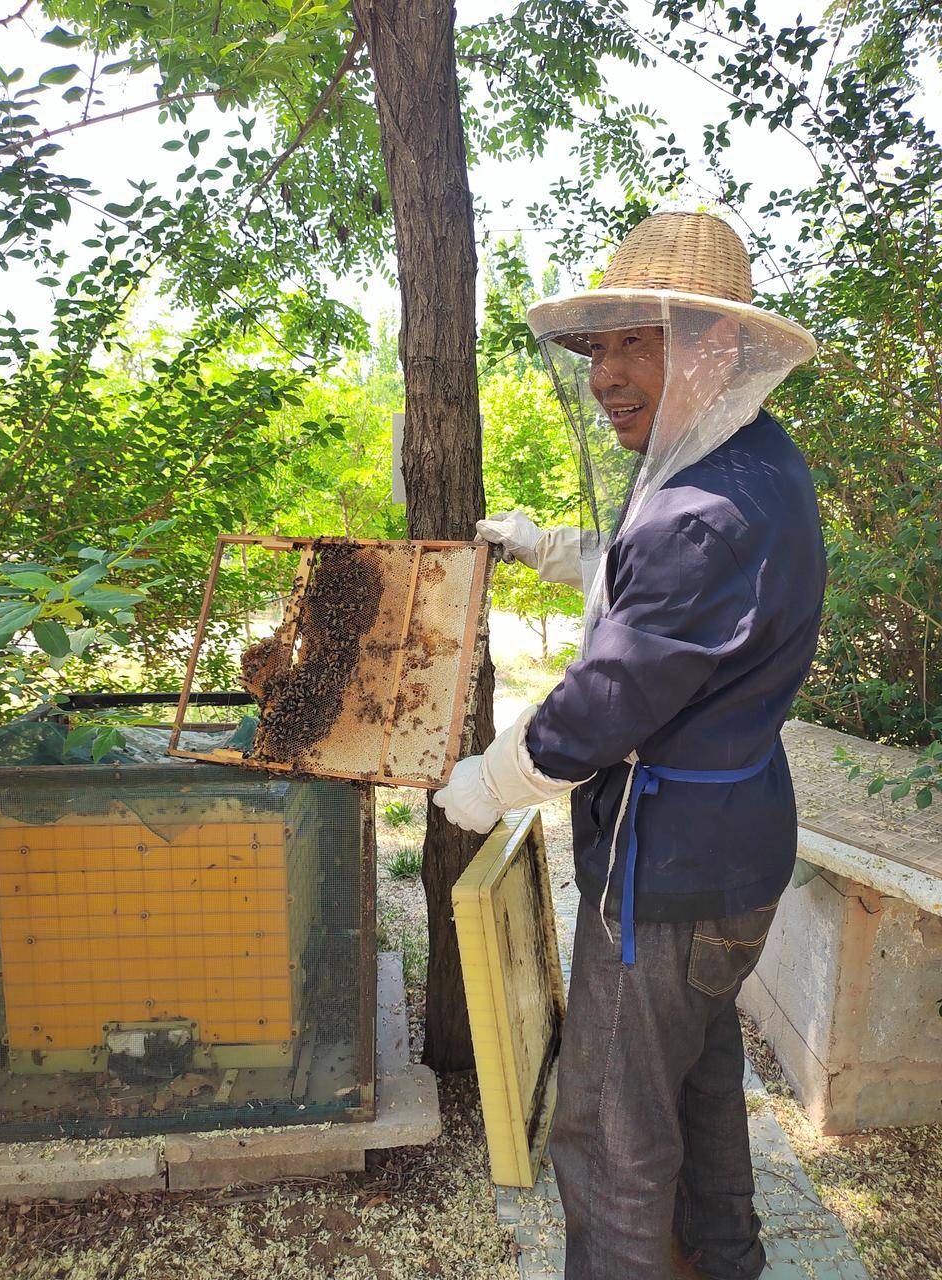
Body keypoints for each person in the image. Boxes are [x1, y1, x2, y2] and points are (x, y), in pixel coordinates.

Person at [433, 211, 826, 1280]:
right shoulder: (741, 461)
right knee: (695, 1090)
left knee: (608, 1129)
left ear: (710, 344)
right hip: (728, 858)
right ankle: (722, 1261)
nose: (604, 372)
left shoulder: (707, 507)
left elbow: (600, 709)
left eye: (631, 341)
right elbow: (657, 587)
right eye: (595, 346)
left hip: (673, 875)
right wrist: (551, 548)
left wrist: (479, 784)